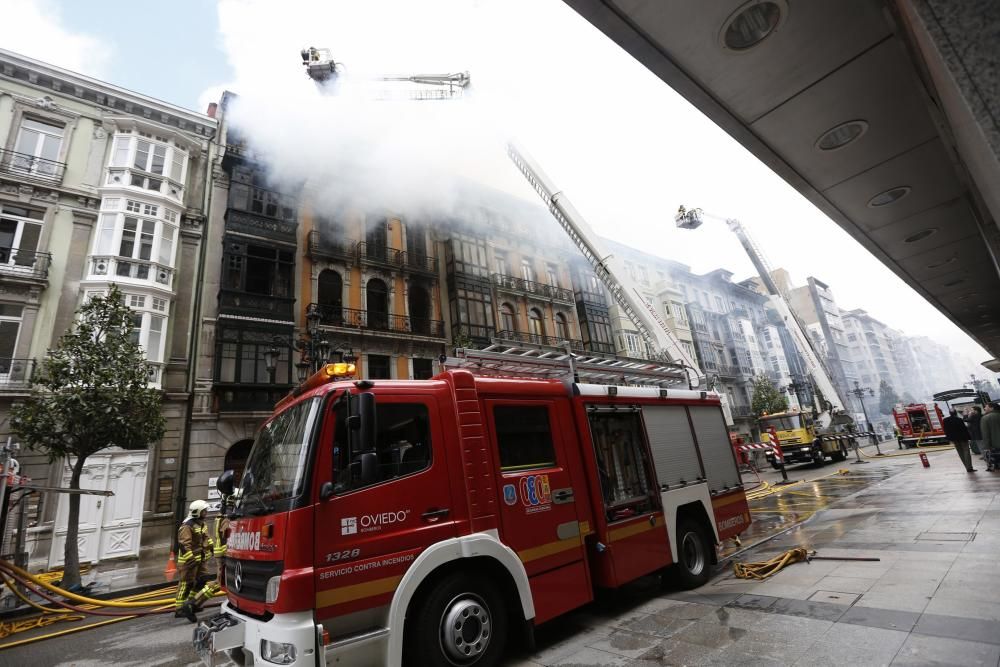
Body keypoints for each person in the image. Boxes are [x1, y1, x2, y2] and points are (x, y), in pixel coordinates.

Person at [181, 491, 237, 622]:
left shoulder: (222, 514)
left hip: (221, 553)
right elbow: (227, 534)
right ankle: (192, 604)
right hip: (225, 554)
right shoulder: (228, 517)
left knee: (219, 582)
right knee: (219, 582)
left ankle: (193, 603)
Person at [174, 499, 214, 622]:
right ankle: (179, 609)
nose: (206, 512)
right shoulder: (187, 526)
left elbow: (206, 538)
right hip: (189, 562)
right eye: (204, 511)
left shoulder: (201, 523)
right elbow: (184, 545)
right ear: (197, 512)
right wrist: (190, 560)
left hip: (200, 561)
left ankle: (192, 605)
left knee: (201, 582)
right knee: (186, 584)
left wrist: (212, 549)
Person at [981, 402, 1000, 471]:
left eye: (986, 407)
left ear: (992, 408)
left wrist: (986, 447)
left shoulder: (985, 418)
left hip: (995, 446)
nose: (984, 408)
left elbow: (986, 434)